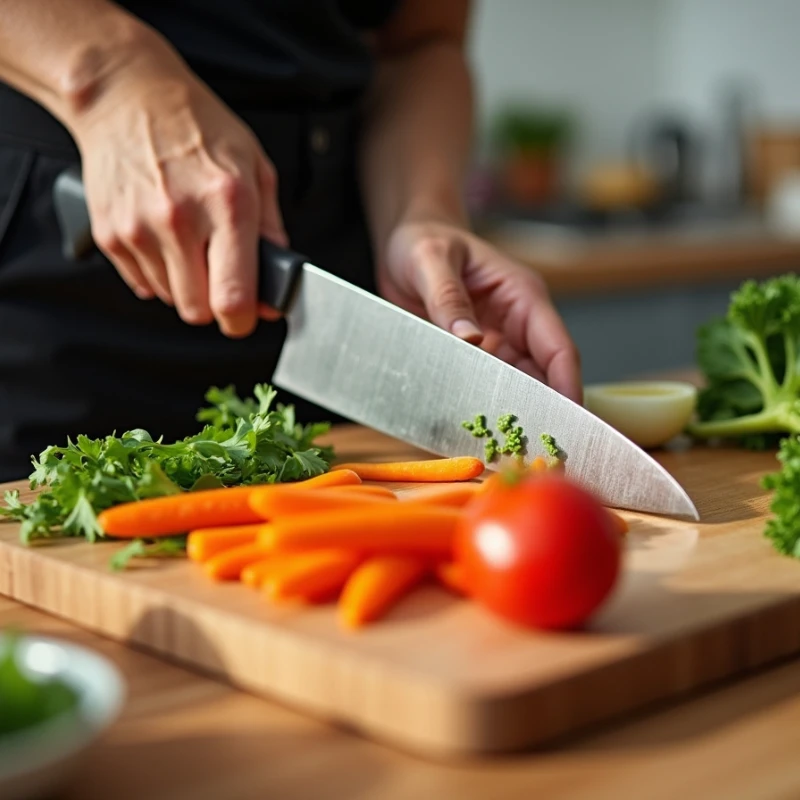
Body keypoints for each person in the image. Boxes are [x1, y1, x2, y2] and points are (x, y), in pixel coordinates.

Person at [0, 0, 581, 482]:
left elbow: (421, 43)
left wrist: (422, 211)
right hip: (59, 280)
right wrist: (112, 76)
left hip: (329, 285)